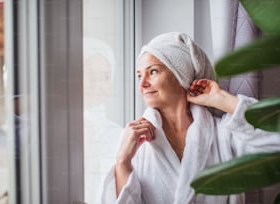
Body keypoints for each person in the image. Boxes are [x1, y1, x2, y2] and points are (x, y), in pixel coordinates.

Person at [101, 32, 280, 204]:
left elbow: (275, 140)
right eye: (139, 75)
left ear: (181, 74)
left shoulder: (224, 134)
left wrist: (223, 100)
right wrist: (122, 162)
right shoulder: (135, 141)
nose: (142, 84)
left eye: (153, 72)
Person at [83, 37, 123, 204]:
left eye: (105, 76)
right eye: (90, 75)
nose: (97, 84)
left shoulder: (117, 135)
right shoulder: (54, 127)